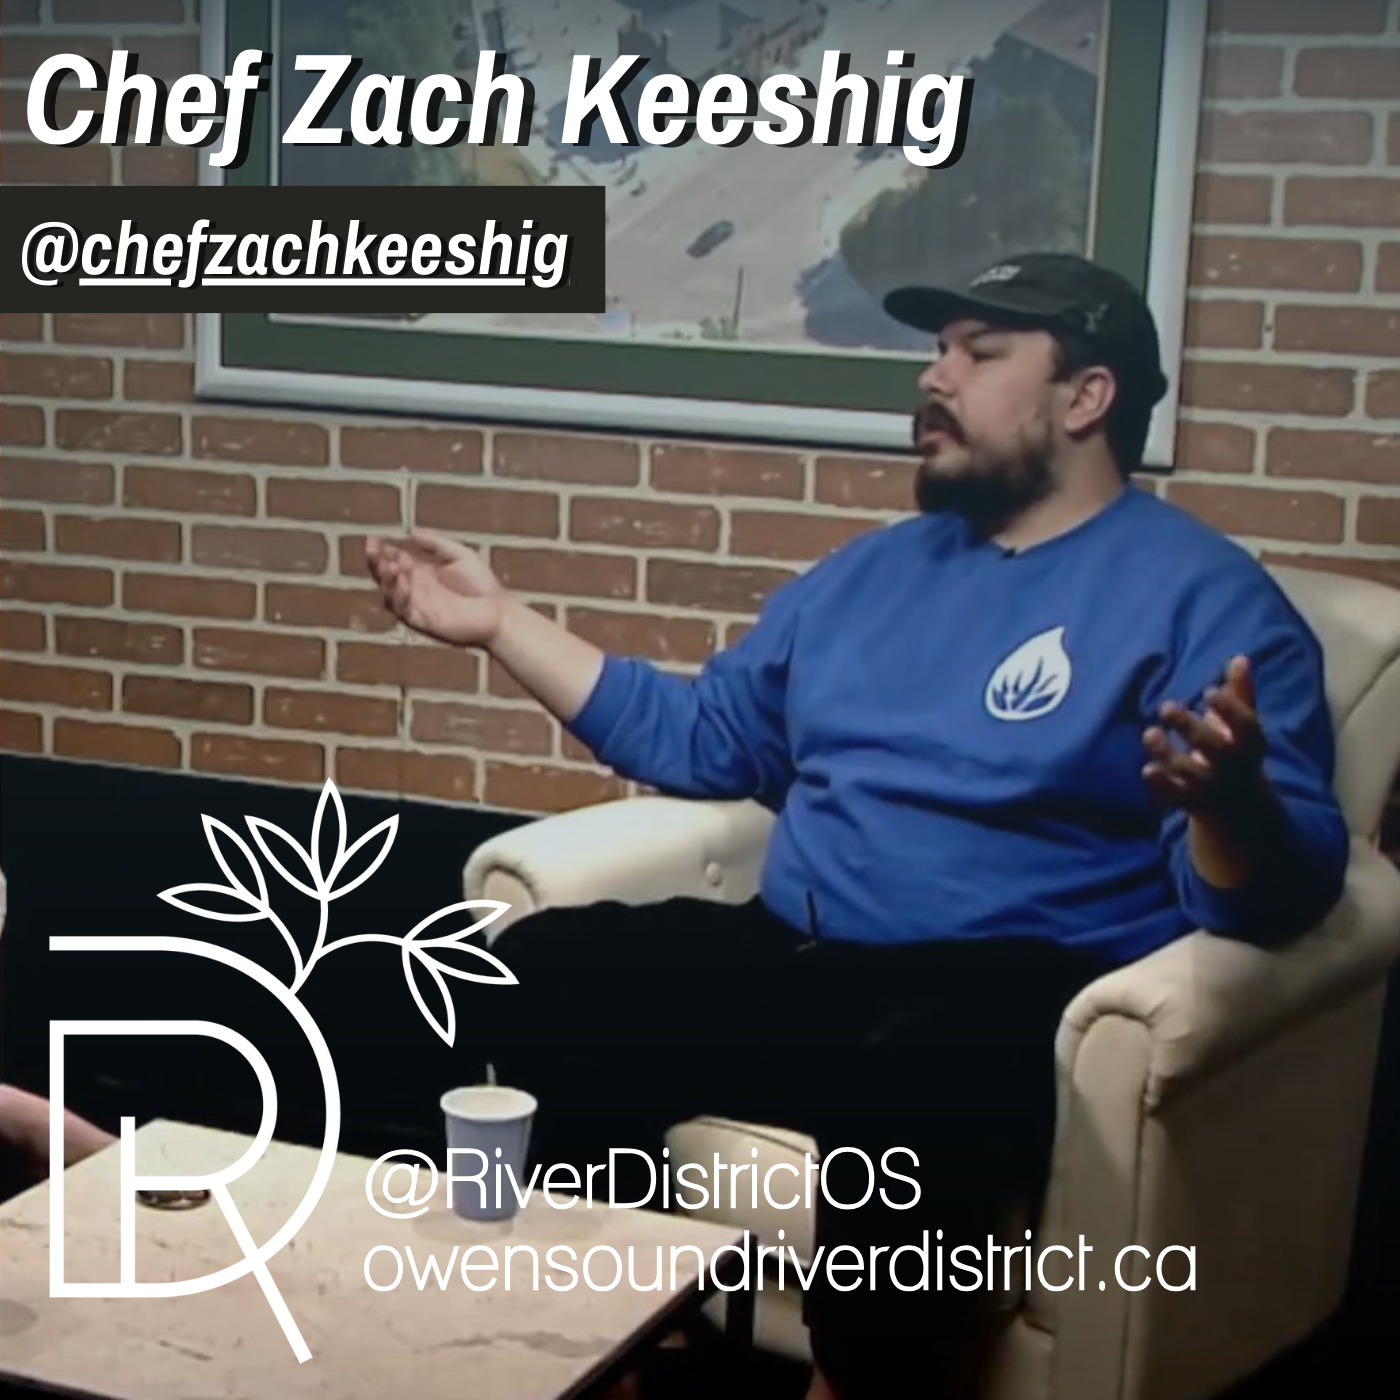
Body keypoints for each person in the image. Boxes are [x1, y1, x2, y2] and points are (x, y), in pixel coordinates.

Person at [364, 252, 1350, 1400]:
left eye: (978, 356)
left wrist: (1229, 808)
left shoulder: (1207, 600)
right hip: (804, 960)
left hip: (1002, 985)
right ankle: (589, 1355)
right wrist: (499, 624)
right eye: (937, 351)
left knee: (924, 1095)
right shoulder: (864, 575)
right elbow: (703, 741)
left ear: (1084, 399)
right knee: (524, 973)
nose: (934, 377)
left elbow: (1274, 896)